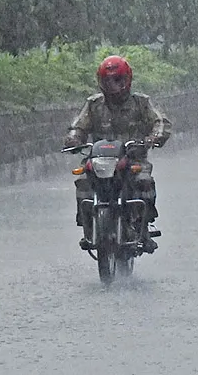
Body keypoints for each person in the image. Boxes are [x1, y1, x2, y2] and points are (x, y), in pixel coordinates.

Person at [63, 55, 172, 253]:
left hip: (132, 158)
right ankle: (88, 226)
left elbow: (160, 121)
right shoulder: (93, 104)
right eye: (107, 81)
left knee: (144, 181)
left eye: (117, 80)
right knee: (83, 182)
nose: (113, 86)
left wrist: (154, 137)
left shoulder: (141, 103)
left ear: (127, 80)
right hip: (99, 159)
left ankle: (143, 227)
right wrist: (74, 138)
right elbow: (78, 125)